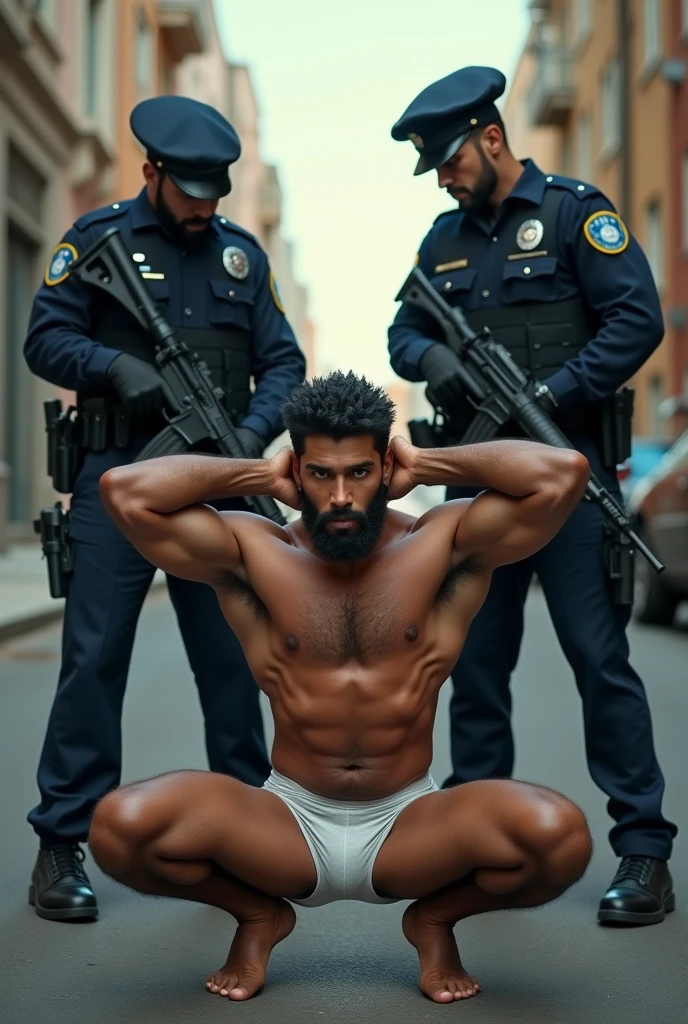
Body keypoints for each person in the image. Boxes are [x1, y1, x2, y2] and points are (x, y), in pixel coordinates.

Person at [88, 371, 593, 1004]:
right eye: (321, 474)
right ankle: (258, 915)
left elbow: (563, 472)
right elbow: (125, 490)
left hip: (409, 819)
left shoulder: (443, 541)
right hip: (287, 818)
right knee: (118, 826)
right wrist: (255, 475)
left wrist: (426, 463)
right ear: (297, 470)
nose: (340, 496)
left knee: (560, 837)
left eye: (358, 472)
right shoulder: (254, 551)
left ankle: (433, 919)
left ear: (385, 465)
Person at [387, 65, 677, 925]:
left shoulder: (572, 213)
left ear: (491, 136)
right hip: (480, 485)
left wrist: (553, 393)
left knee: (600, 661)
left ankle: (644, 852)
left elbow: (638, 319)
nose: (442, 178)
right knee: (478, 666)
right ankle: (481, 844)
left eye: (449, 160)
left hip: (568, 477)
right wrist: (434, 359)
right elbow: (403, 329)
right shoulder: (442, 241)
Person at [23, 95, 306, 922]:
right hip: (118, 476)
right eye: (189, 190)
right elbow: (44, 336)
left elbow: (282, 363)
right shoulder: (96, 238)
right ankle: (62, 845)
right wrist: (114, 366)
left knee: (229, 663)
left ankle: (251, 840)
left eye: (215, 191)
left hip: (214, 484)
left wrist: (249, 435)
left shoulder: (241, 260)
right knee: (93, 659)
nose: (204, 206)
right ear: (151, 173)